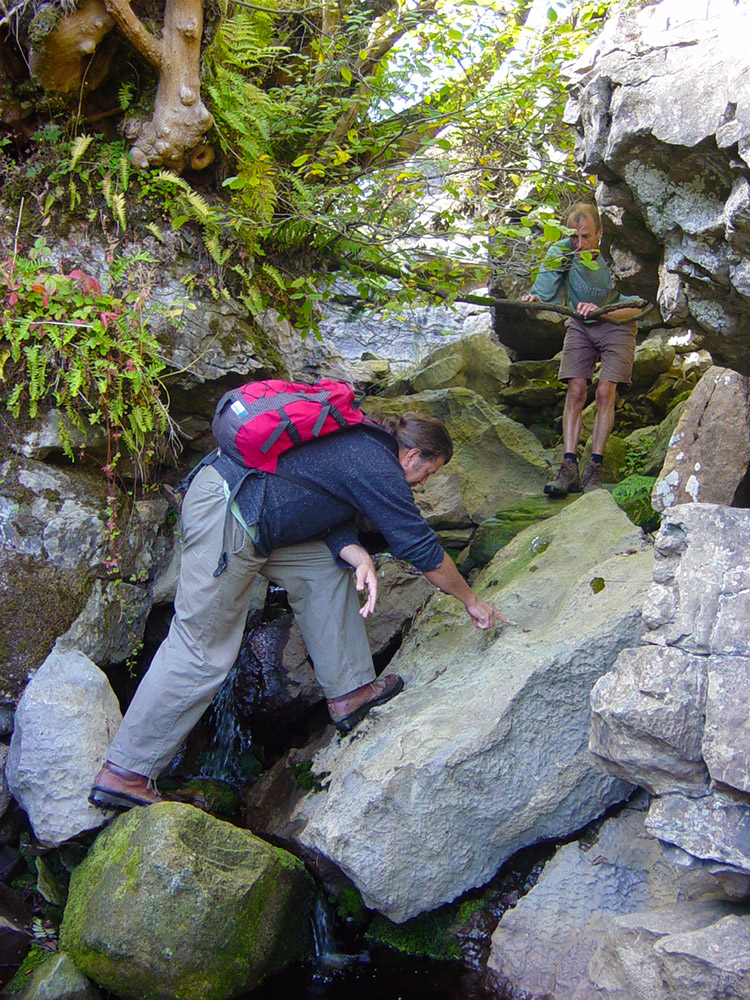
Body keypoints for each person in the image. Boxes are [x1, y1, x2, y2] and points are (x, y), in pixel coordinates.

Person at [90, 412, 503, 809]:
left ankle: (351, 691)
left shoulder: (362, 442)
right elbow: (421, 548)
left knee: (325, 569)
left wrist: (358, 554)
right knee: (202, 647)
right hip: (229, 513)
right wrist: (472, 600)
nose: (425, 482)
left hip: (258, 514)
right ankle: (126, 772)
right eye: (429, 472)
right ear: (413, 456)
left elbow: (316, 498)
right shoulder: (379, 465)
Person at [522, 202, 643, 496]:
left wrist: (601, 312)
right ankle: (569, 467)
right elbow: (541, 298)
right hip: (581, 323)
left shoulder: (617, 254)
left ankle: (594, 470)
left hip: (619, 324)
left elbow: (636, 307)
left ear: (600, 233)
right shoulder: (560, 252)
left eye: (586, 237)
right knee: (576, 390)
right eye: (573, 237)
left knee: (604, 391)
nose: (578, 244)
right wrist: (532, 306)